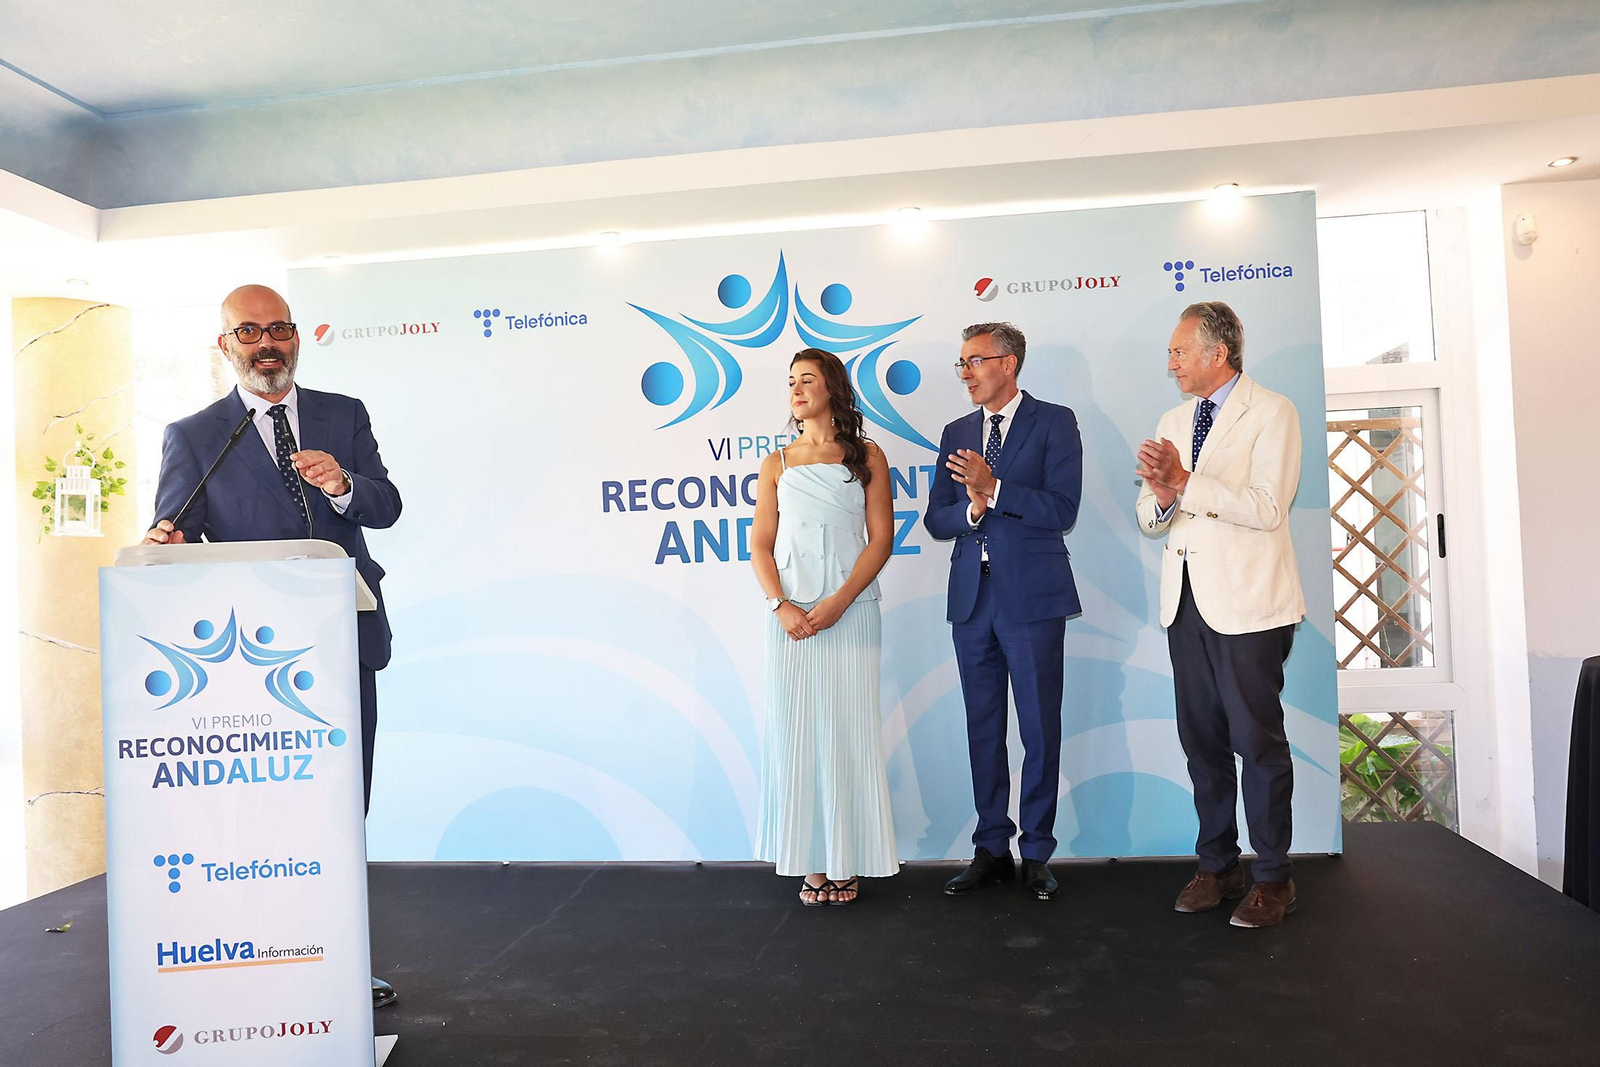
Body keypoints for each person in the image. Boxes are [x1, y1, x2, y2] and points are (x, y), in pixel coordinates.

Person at [141, 284, 403, 999]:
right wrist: (162, 543)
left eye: (279, 329)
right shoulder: (195, 435)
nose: (267, 343)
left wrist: (346, 484)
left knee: (342, 807)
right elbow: (176, 532)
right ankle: (271, 955)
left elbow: (386, 505)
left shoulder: (342, 414)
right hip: (248, 663)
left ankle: (343, 959)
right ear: (225, 345)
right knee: (268, 817)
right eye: (249, 331)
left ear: (297, 338)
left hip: (344, 640)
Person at [1134, 300, 1306, 928]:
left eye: (1180, 351)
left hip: (1250, 605)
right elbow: (1151, 519)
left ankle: (1274, 877)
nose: (1171, 362)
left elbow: (1266, 507)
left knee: (1256, 742)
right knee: (1201, 742)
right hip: (1185, 603)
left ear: (1218, 353)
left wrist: (1184, 483)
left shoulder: (1273, 411)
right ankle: (1217, 864)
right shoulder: (1174, 418)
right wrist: (1160, 493)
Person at [924, 322, 1082, 901]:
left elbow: (1063, 508)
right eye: (961, 363)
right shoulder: (955, 431)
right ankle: (991, 845)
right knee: (982, 727)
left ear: (1009, 363)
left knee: (1039, 727)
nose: (965, 373)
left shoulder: (1055, 421)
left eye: (974, 361)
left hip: (1033, 599)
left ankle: (1036, 851)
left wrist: (996, 490)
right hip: (972, 599)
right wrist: (969, 512)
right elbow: (936, 516)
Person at [751, 348, 898, 905]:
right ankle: (811, 860)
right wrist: (779, 605)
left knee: (849, 731)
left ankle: (849, 858)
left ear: (832, 388)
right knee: (799, 732)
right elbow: (761, 546)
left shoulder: (867, 455)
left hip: (851, 611)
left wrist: (840, 600)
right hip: (791, 619)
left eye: (806, 379)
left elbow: (880, 539)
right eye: (791, 381)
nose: (795, 388)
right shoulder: (776, 463)